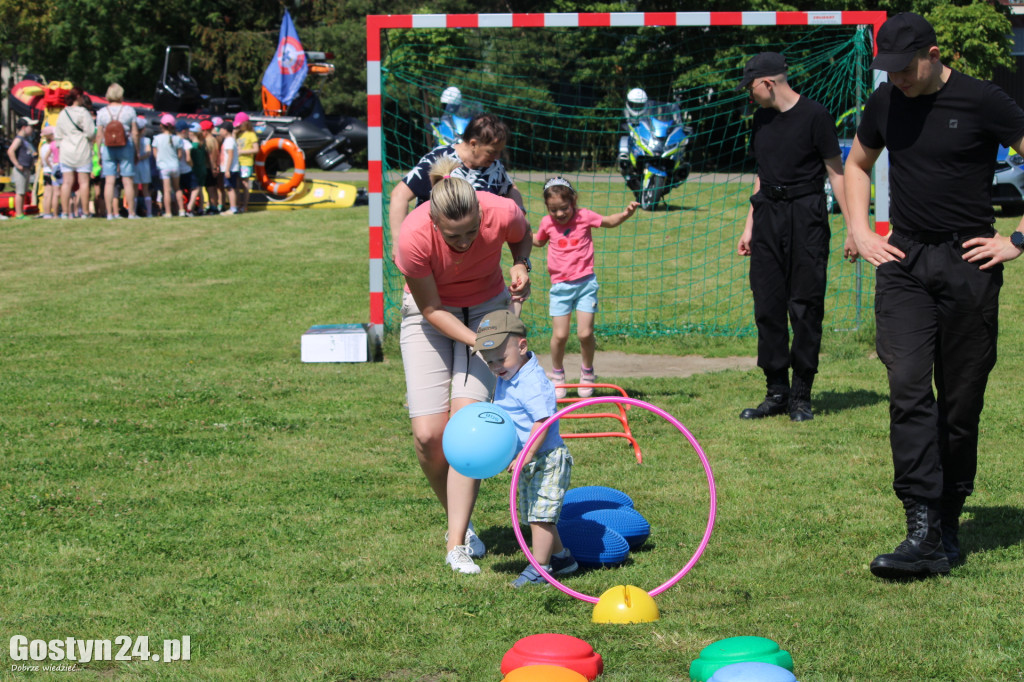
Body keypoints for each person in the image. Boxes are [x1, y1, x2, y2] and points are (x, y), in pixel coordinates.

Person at [844, 12, 1024, 580]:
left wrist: (1016, 239)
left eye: (904, 67)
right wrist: (859, 228)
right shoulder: (886, 102)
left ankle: (949, 518)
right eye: (887, 70)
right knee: (907, 387)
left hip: (968, 263)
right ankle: (920, 526)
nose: (896, 78)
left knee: (961, 403)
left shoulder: (984, 101)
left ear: (934, 52)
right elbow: (856, 163)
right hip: (905, 262)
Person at [395, 156, 532, 575]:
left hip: (488, 306)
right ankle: (463, 519)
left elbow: (522, 235)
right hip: (431, 315)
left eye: (473, 231)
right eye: (454, 236)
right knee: (428, 436)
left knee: (465, 425)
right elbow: (432, 309)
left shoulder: (500, 210)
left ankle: (456, 545)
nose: (466, 242)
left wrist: (521, 263)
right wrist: (479, 343)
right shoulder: (412, 237)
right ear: (434, 223)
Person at [735, 52, 850, 423]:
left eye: (750, 87)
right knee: (767, 305)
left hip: (806, 216)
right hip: (768, 213)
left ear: (768, 82)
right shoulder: (761, 119)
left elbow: (837, 174)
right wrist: (750, 225)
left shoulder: (815, 116)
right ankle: (776, 392)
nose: (749, 94)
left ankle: (801, 395)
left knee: (804, 306)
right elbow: (761, 173)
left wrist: (853, 229)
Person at [475, 310, 578, 587]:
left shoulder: (531, 381)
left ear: (522, 347)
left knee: (540, 516)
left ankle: (540, 569)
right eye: (489, 361)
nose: (496, 366)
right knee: (535, 512)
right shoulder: (510, 372)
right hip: (529, 458)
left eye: (500, 358)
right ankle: (563, 559)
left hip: (546, 458)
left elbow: (542, 422)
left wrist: (527, 453)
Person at [532, 177, 638, 398]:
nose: (560, 214)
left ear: (574, 201)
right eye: (553, 210)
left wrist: (626, 214)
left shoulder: (584, 217)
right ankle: (558, 373)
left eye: (564, 208)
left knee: (585, 332)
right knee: (560, 335)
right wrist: (515, 230)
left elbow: (609, 221)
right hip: (560, 287)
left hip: (585, 285)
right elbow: (538, 241)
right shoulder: (547, 223)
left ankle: (587, 372)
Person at [389, 113, 524, 257]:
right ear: (473, 144)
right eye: (492, 152)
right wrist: (399, 242)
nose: (497, 157)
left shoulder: (494, 167)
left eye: (499, 152)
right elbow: (399, 195)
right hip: (434, 255)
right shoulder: (439, 159)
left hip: (475, 258)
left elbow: (510, 188)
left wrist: (519, 213)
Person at [95, 84, 140, 219]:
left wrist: (98, 152)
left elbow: (99, 134)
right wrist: (136, 151)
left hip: (108, 147)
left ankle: (109, 213)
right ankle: (131, 212)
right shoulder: (129, 111)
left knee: (109, 181)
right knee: (127, 181)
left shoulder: (102, 112)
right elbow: (135, 132)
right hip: (125, 145)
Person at [54, 90, 96, 220]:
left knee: (66, 182)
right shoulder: (83, 113)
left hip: (66, 150)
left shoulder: (63, 113)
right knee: (84, 182)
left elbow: (58, 134)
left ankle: (65, 213)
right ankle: (85, 212)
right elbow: (90, 132)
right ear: (78, 97)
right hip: (81, 149)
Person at [7, 117, 39, 219]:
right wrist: (17, 164)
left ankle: (21, 212)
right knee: (20, 192)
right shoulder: (19, 139)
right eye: (31, 127)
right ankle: (19, 214)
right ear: (24, 127)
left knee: (23, 192)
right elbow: (10, 151)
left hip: (26, 169)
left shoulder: (26, 139)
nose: (33, 129)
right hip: (20, 169)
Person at [153, 114, 182, 218]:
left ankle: (168, 212)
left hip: (163, 167)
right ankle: (181, 210)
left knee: (166, 190)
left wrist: (160, 161)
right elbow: (179, 154)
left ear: (161, 125)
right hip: (175, 165)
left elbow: (155, 154)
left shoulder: (157, 138)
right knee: (177, 188)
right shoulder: (177, 139)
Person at [234, 112, 259, 213]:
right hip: (237, 162)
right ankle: (237, 204)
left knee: (244, 183)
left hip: (246, 163)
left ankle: (244, 205)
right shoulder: (238, 134)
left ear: (245, 123)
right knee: (237, 183)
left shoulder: (251, 134)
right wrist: (233, 134)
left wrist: (242, 152)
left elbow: (256, 149)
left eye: (240, 125)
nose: (238, 127)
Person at [134, 115, 154, 217]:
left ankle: (134, 212)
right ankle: (149, 212)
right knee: (146, 190)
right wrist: (141, 157)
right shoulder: (146, 140)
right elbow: (148, 152)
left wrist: (137, 158)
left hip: (135, 165)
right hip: (145, 166)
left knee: (135, 190)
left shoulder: (132, 140)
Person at [219, 121, 240, 214]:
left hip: (230, 169)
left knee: (230, 188)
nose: (219, 131)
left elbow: (230, 155)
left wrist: (227, 169)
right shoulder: (229, 140)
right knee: (230, 188)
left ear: (226, 130)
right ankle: (233, 207)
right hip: (230, 168)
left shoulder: (229, 141)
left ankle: (233, 208)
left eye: (221, 129)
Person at [200, 120, 221, 214]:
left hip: (209, 167)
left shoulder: (209, 140)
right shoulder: (214, 139)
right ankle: (212, 205)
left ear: (205, 130)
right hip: (211, 167)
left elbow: (211, 156)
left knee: (210, 188)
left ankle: (213, 207)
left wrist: (213, 168)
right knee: (211, 188)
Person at [40, 125, 61, 218]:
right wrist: (52, 167)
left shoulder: (43, 146)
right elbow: (47, 158)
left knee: (47, 194)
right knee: (52, 194)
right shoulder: (53, 146)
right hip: (51, 170)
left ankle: (46, 212)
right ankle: (51, 212)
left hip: (45, 171)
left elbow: (41, 161)